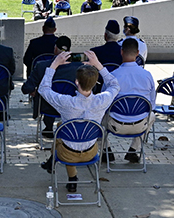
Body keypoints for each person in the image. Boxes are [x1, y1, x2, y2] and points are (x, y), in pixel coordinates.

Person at [38, 49, 119, 192]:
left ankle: (65, 172)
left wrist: (54, 65)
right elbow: (115, 85)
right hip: (91, 152)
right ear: (95, 83)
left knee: (62, 131)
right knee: (65, 130)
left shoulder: (66, 102)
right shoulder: (102, 100)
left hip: (67, 153)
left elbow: (43, 89)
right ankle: (64, 172)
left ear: (76, 82)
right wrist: (98, 65)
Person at [105, 38, 156, 163]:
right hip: (140, 125)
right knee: (152, 115)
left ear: (121, 52)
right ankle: (134, 149)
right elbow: (152, 104)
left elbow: (103, 102)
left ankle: (106, 150)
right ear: (138, 53)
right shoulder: (147, 75)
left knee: (96, 115)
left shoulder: (113, 76)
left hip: (115, 124)